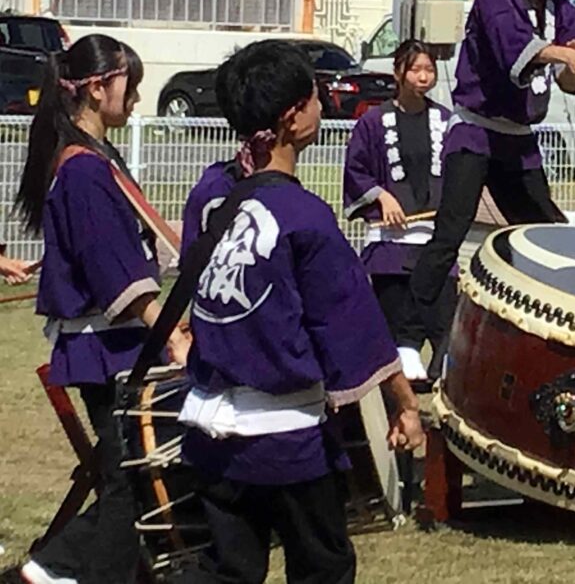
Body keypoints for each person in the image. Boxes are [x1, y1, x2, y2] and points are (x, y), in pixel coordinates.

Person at [177, 39, 424, 584]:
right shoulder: (304, 217)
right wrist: (405, 406)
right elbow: (352, 328)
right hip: (285, 439)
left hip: (208, 431)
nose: (320, 107)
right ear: (293, 117)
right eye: (314, 98)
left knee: (230, 571)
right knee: (323, 569)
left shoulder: (210, 195)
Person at [16, 34, 189, 584]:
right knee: (130, 480)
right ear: (96, 88)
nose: (136, 97)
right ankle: (59, 569)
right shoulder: (84, 169)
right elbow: (113, 267)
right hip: (108, 347)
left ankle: (53, 569)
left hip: (113, 344)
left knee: (134, 475)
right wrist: (169, 331)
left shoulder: (91, 159)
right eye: (129, 85)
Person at [409, 0, 575, 317]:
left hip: (518, 140)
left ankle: (542, 315)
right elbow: (515, 51)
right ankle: (406, 334)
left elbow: (565, 81)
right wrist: (562, 52)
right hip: (475, 134)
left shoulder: (562, 12)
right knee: (450, 233)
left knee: (547, 234)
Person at [343, 40, 456, 381]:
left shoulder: (445, 121)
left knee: (444, 315)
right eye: (415, 69)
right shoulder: (374, 122)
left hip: (435, 238)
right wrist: (381, 197)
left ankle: (442, 375)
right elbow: (356, 169)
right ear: (398, 73)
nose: (423, 77)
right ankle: (402, 373)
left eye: (429, 70)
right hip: (391, 240)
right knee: (398, 315)